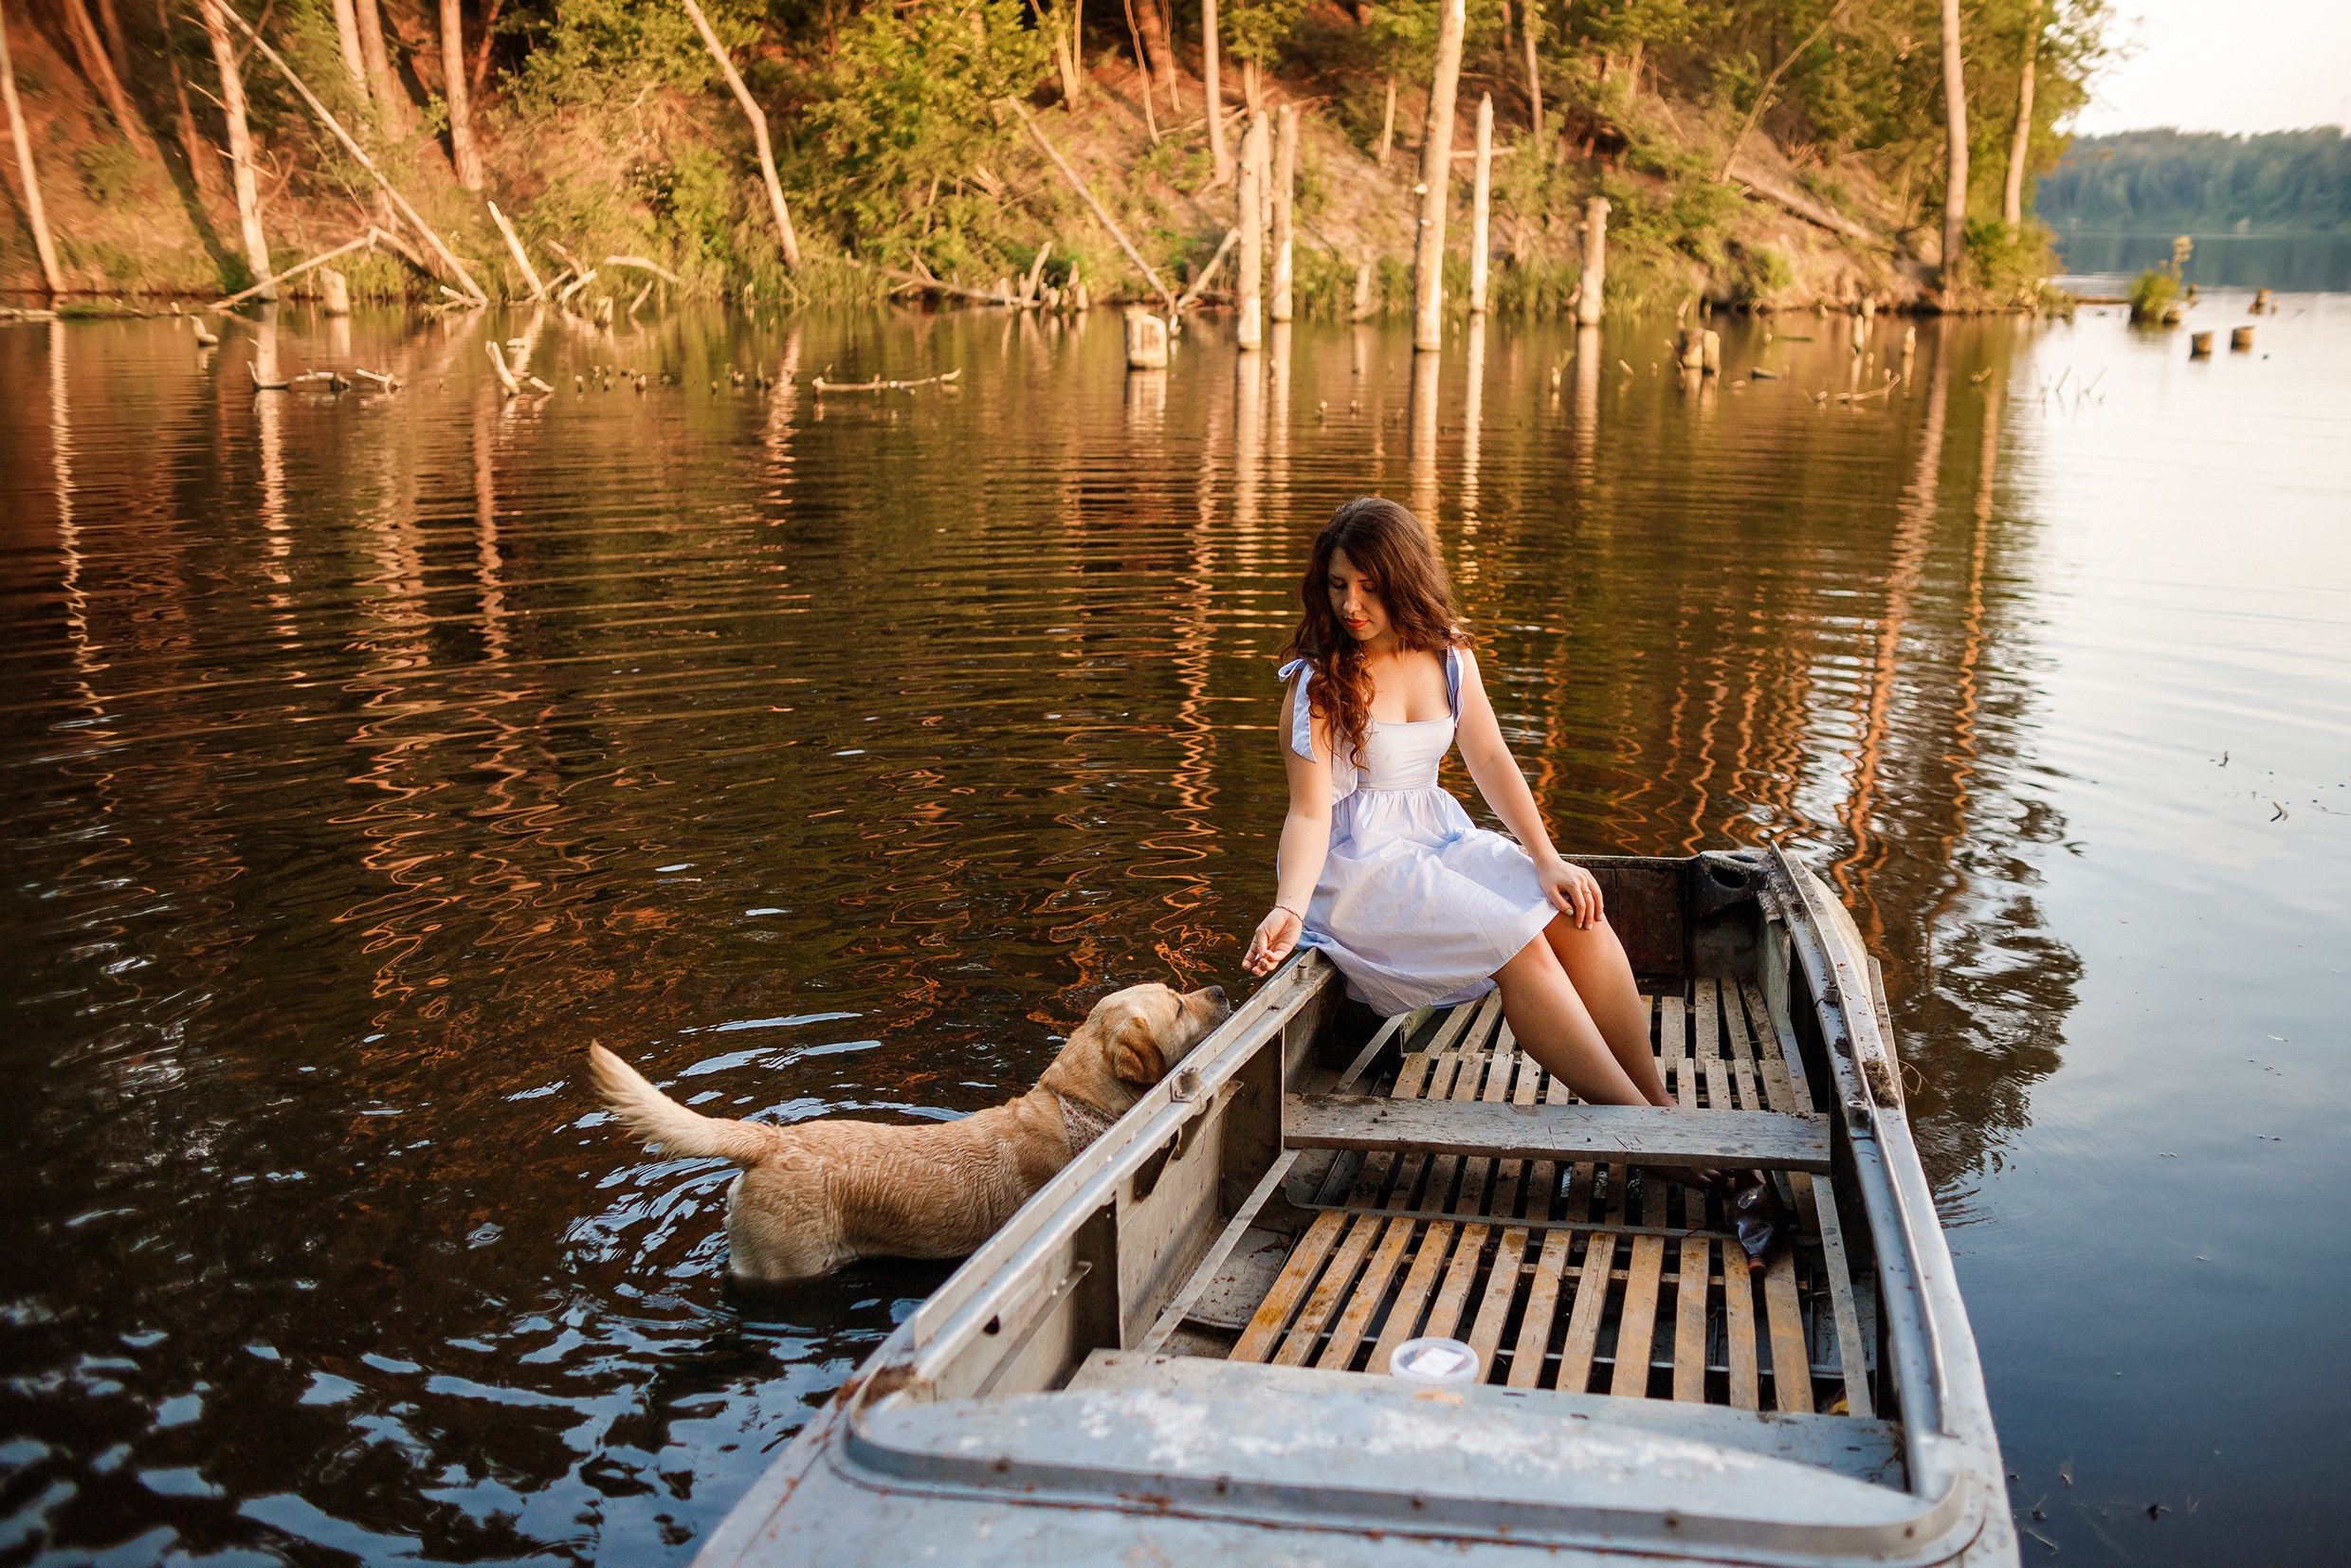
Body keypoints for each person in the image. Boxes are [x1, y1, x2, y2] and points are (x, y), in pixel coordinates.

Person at [1241, 497, 1783, 1267]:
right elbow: (1308, 817)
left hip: (1434, 836)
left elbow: (1491, 761)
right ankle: (1651, 1140)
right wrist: (1289, 907)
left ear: (1403, 580)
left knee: (1571, 912)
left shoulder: (1449, 655)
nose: (1350, 605)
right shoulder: (1319, 682)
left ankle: (1660, 1107)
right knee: (1517, 943)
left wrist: (1547, 857)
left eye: (1366, 585)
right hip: (1357, 866)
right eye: (1335, 586)